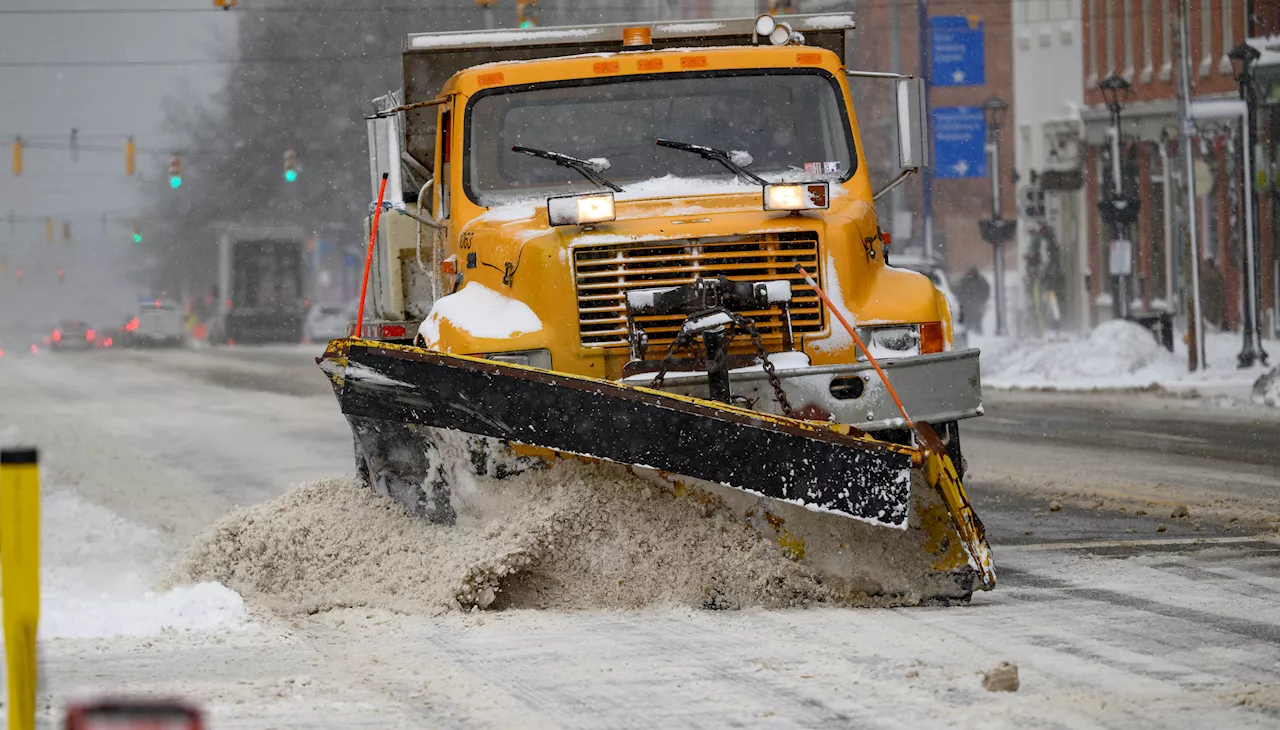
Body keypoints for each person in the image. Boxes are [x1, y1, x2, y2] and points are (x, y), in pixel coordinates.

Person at [955, 267, 990, 335]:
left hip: (970, 304)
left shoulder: (965, 280)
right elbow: (986, 290)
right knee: (976, 319)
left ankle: (973, 332)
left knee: (971, 320)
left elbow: (959, 291)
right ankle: (977, 332)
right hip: (974, 303)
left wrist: (964, 301)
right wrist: (982, 300)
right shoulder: (981, 280)